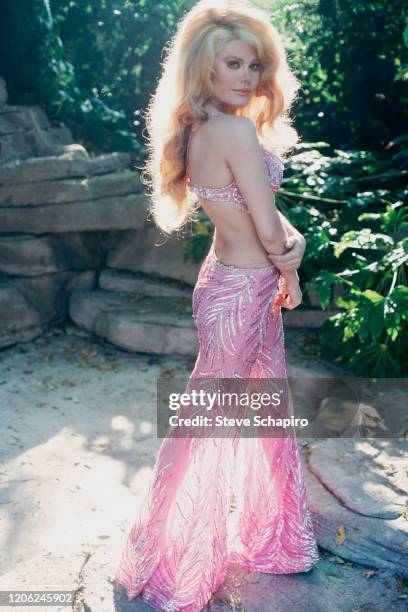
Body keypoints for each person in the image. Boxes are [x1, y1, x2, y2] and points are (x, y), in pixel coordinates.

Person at [115, 1, 319, 609]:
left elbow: (254, 207)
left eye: (255, 65)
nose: (247, 77)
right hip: (247, 283)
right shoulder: (233, 129)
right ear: (205, 66)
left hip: (230, 284)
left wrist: (285, 248)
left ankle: (229, 538)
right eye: (233, 63)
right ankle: (173, 553)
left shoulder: (204, 127)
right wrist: (296, 260)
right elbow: (267, 225)